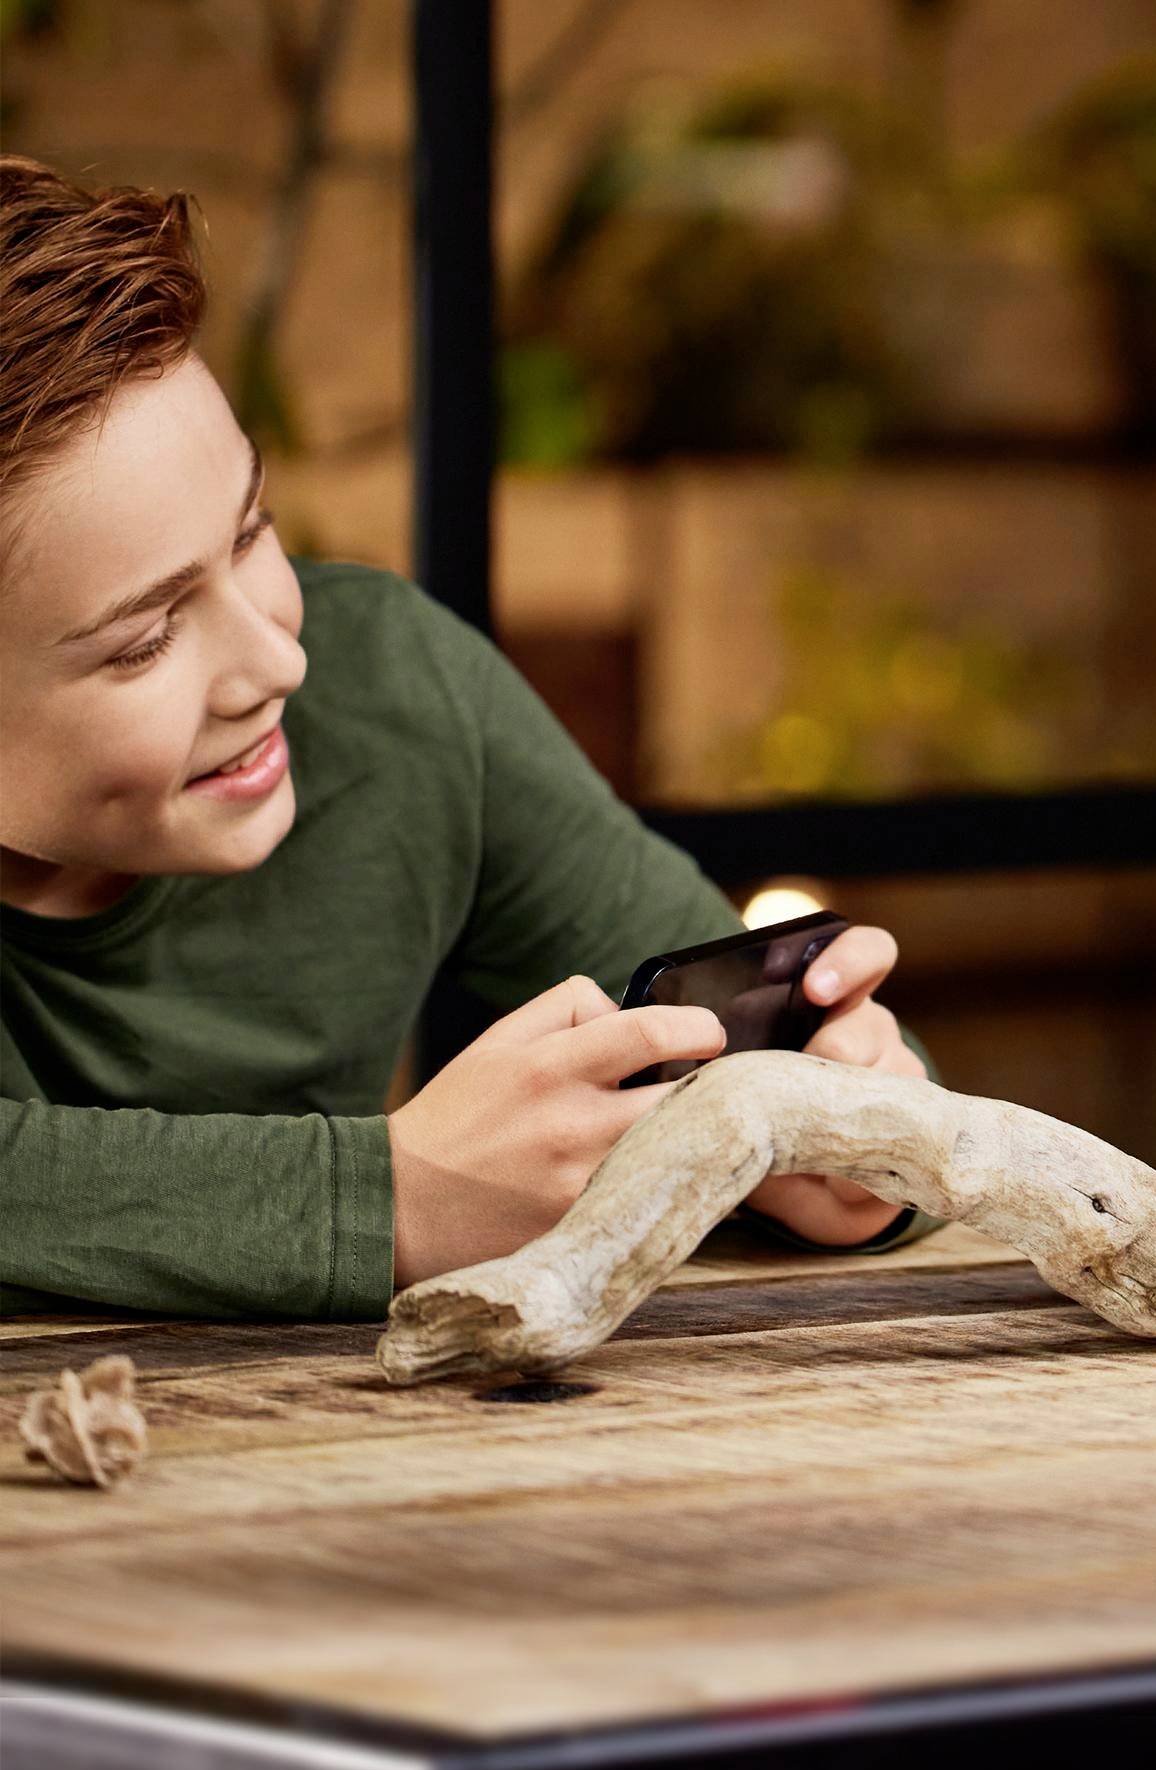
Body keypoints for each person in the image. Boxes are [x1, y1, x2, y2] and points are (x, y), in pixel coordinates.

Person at [0, 155, 936, 1317]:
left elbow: (795, 1062)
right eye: (144, 639)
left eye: (251, 534)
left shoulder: (390, 692)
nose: (278, 662)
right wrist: (389, 1200)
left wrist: (842, 1144)